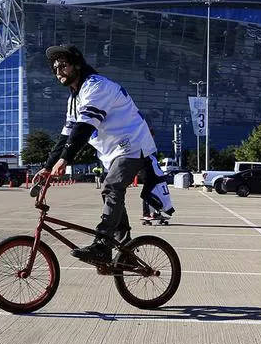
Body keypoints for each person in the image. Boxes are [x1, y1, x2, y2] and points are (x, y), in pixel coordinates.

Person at [36, 44, 174, 264]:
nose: (58, 70)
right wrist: (47, 165)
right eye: (54, 68)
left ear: (77, 65)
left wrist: (65, 160)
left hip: (132, 145)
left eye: (63, 65)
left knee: (111, 186)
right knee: (110, 193)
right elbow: (66, 136)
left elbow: (84, 128)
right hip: (114, 152)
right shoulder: (74, 99)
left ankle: (102, 245)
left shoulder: (96, 86)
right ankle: (126, 249)